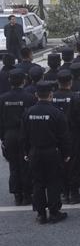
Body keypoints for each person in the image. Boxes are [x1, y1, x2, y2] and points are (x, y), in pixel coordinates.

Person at [21, 81, 70, 224]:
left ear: (36, 95)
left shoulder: (28, 113)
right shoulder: (57, 113)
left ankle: (41, 214)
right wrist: (66, 153)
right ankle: (54, 212)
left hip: (34, 152)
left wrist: (26, 152)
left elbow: (24, 136)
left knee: (38, 183)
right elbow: (64, 137)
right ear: (51, 95)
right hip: (52, 152)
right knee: (53, 182)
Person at [0, 70, 36, 205]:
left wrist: (2, 137)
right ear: (24, 81)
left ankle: (17, 194)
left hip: (9, 134)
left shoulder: (2, 98)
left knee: (13, 165)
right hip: (24, 134)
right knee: (25, 164)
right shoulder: (29, 97)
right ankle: (27, 193)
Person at [52, 70, 80, 205]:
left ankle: (64, 192)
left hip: (56, 136)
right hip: (72, 135)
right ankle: (74, 193)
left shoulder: (52, 96)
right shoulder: (75, 98)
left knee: (60, 164)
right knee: (73, 163)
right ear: (70, 82)